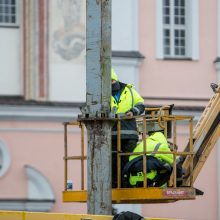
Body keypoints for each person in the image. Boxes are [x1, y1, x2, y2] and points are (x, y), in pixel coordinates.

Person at [111, 68, 145, 188]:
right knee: (113, 161)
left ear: (115, 79)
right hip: (112, 134)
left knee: (128, 159)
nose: (111, 83)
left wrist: (133, 112)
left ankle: (126, 183)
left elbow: (140, 104)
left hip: (129, 133)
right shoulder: (101, 93)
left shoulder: (129, 90)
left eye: (112, 80)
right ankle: (115, 184)